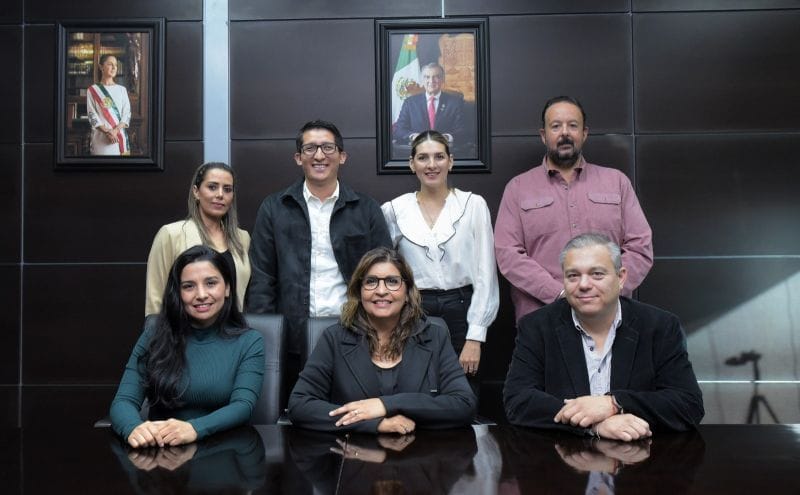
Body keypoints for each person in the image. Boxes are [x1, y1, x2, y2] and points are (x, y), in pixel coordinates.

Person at [503, 233, 703, 441]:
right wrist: (594, 424)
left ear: (621, 277)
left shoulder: (659, 326)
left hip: (642, 456)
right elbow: (518, 401)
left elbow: (688, 404)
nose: (583, 284)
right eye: (573, 276)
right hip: (564, 456)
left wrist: (613, 403)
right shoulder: (536, 326)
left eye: (597, 274)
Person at [246, 120, 391, 396]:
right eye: (310, 148)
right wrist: (265, 338)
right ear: (298, 157)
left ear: (342, 156)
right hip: (292, 340)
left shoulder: (366, 209)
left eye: (328, 147)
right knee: (295, 413)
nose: (319, 155)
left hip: (355, 334)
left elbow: (384, 274)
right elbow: (262, 279)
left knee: (354, 412)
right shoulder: (275, 208)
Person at [494, 96, 653, 323]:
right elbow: (508, 254)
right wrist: (559, 293)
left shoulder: (617, 182)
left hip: (609, 318)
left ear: (584, 133)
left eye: (573, 125)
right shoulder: (518, 188)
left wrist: (606, 290)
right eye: (556, 126)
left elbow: (640, 246)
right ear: (543, 135)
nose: (565, 133)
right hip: (542, 319)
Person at [288, 247, 476, 433]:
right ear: (359, 292)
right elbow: (300, 405)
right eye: (371, 282)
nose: (381, 290)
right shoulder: (334, 338)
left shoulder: (434, 336)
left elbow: (464, 404)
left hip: (421, 450)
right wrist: (375, 424)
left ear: (407, 292)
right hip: (352, 449)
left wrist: (386, 405)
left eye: (392, 281)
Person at [111, 245, 265, 448]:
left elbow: (243, 406)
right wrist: (133, 427)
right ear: (178, 292)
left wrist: (194, 428)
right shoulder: (154, 335)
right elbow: (123, 401)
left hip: (223, 451)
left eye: (211, 283)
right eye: (189, 286)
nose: (201, 294)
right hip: (161, 453)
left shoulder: (250, 341)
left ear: (227, 287)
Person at [381, 130, 498, 392]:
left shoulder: (473, 205)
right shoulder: (394, 210)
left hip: (463, 310)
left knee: (464, 392)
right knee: (413, 390)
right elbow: (384, 270)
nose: (431, 164)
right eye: (423, 158)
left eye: (439, 157)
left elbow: (486, 274)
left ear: (450, 162)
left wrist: (475, 336)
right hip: (413, 309)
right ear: (412, 164)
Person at [145, 162, 250, 315]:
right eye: (212, 187)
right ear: (196, 191)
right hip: (184, 328)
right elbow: (155, 297)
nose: (220, 194)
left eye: (227, 189)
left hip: (234, 327)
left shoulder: (242, 238)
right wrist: (157, 329)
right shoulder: (171, 234)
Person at [393, 63, 466, 146]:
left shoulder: (455, 102)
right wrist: (413, 136)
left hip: (445, 148)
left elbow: (462, 131)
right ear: (422, 80)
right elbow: (399, 130)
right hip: (417, 148)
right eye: (427, 77)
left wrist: (446, 137)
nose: (431, 81)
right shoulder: (410, 103)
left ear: (442, 79)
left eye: (436, 77)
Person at [87, 54, 131, 155]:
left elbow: (127, 114)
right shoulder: (92, 90)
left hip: (119, 139)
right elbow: (92, 115)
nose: (114, 67)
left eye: (115, 65)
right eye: (110, 64)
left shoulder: (122, 90)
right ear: (101, 67)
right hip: (101, 141)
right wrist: (107, 132)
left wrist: (115, 131)